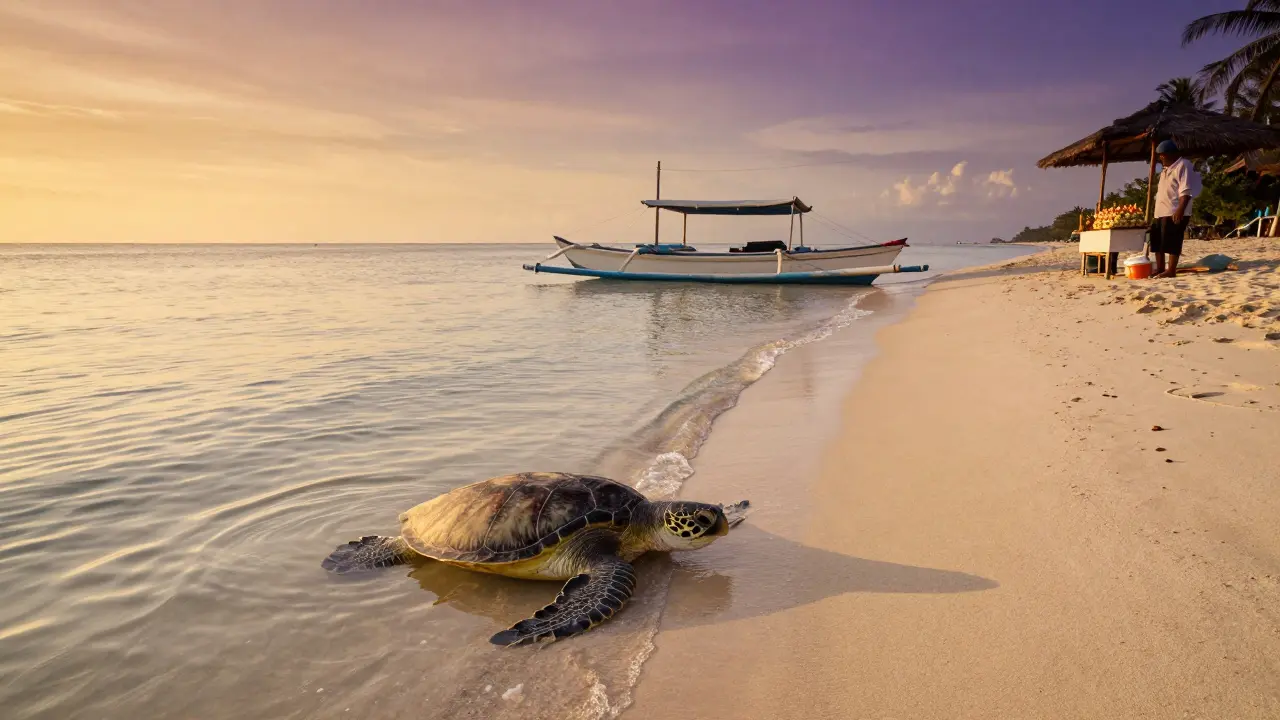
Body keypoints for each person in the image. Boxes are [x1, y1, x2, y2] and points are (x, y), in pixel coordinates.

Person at [1149, 139, 1202, 279]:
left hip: (1174, 210)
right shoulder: (1165, 171)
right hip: (1160, 212)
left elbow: (1186, 190)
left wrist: (1180, 209)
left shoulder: (1183, 165)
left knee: (1173, 241)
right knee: (1157, 241)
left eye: (1163, 155)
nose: (1161, 158)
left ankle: (1171, 270)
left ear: (1171, 154)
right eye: (1159, 155)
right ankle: (1160, 268)